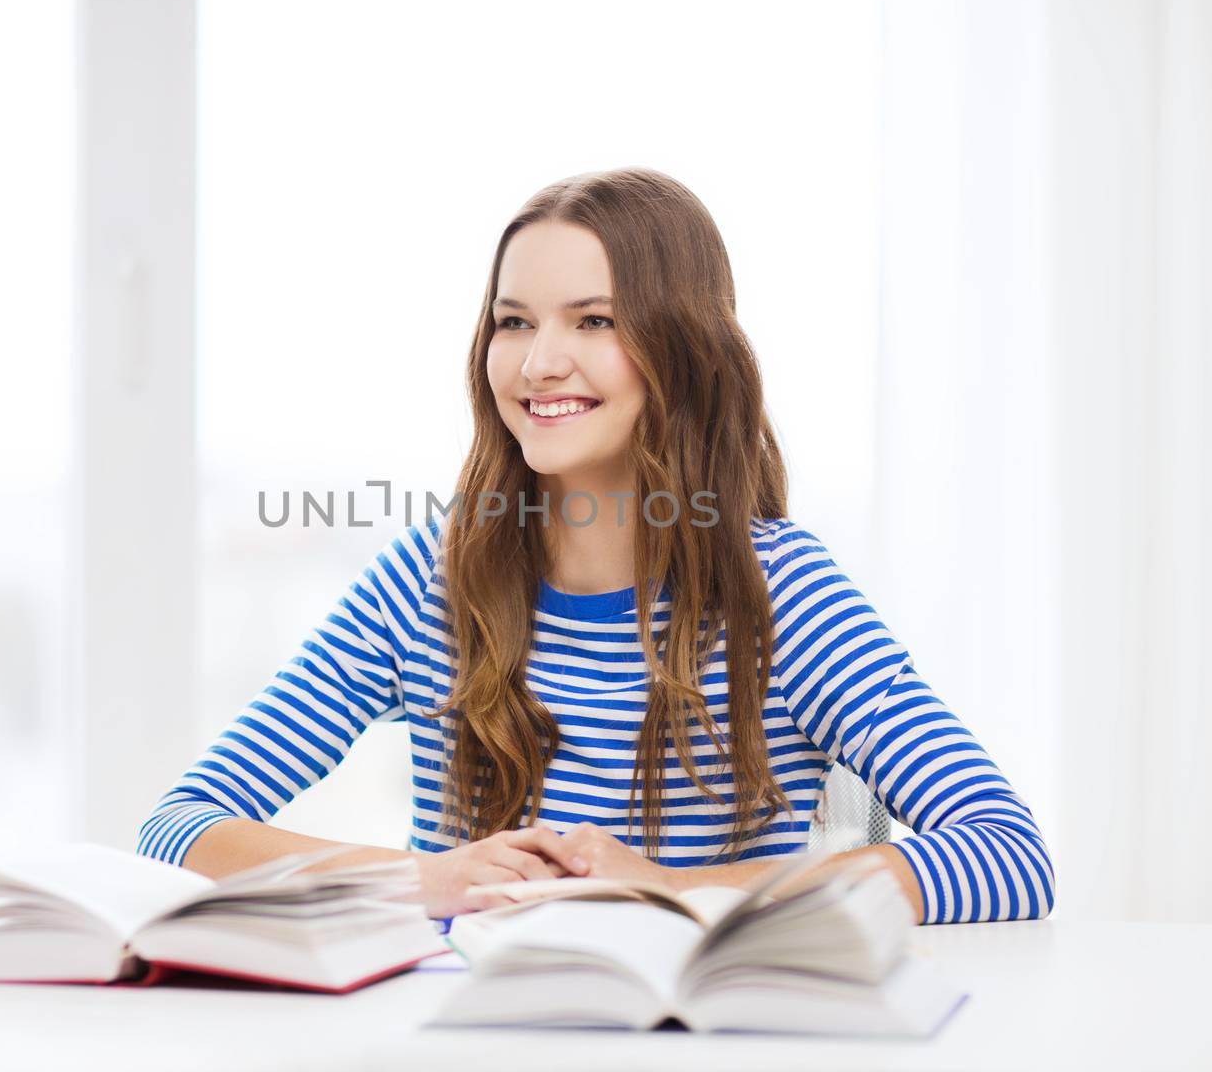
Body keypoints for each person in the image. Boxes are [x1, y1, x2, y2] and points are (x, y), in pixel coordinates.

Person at [136, 167, 1055, 925]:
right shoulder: (427, 581)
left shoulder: (781, 594)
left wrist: (671, 892)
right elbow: (180, 828)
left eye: (594, 321)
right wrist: (428, 878)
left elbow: (1008, 854)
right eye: (513, 321)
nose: (539, 362)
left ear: (683, 349)